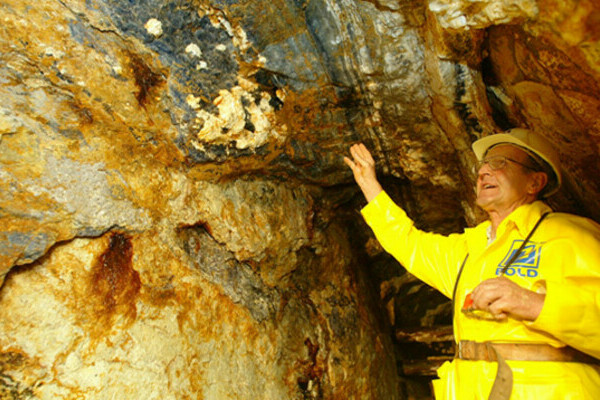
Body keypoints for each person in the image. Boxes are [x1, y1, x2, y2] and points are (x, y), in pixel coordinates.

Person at [344, 128, 600, 399]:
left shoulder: (571, 235)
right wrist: (369, 185)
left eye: (500, 163)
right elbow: (409, 244)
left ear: (534, 182)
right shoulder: (469, 249)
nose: (483, 172)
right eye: (482, 165)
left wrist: (532, 304)